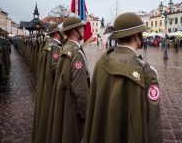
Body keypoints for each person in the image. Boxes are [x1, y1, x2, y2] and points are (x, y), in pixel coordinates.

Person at [84, 12, 163, 143]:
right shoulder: (146, 72)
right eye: (141, 33)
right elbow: (153, 120)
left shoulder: (101, 62)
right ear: (136, 37)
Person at [46, 17, 90, 143]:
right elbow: (80, 88)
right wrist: (86, 113)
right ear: (75, 32)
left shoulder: (66, 48)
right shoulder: (75, 53)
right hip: (73, 107)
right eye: (81, 27)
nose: (83, 30)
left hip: (66, 102)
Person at [32, 23, 62, 143]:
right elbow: (55, 68)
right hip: (50, 84)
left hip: (45, 82)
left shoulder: (48, 45)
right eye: (60, 31)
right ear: (56, 33)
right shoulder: (55, 47)